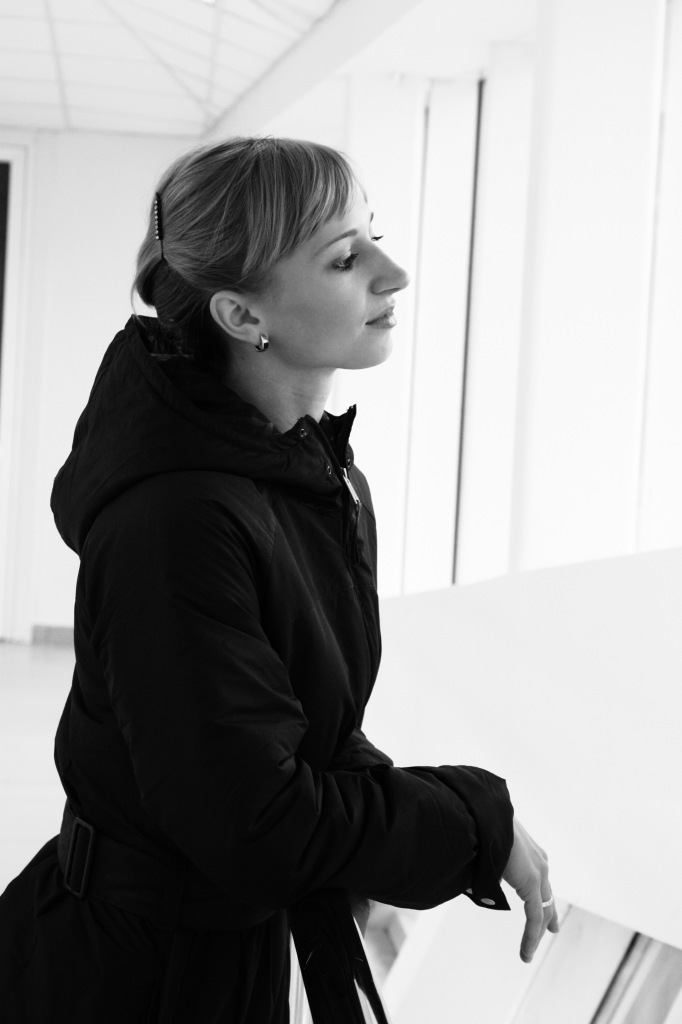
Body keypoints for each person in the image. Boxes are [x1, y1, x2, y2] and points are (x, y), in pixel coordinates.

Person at [0, 136, 558, 1023]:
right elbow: (255, 822)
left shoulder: (314, 474)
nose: (394, 273)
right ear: (239, 312)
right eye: (344, 258)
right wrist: (470, 818)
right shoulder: (177, 519)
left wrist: (465, 828)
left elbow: (309, 729)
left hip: (222, 951)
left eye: (374, 237)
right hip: (132, 981)